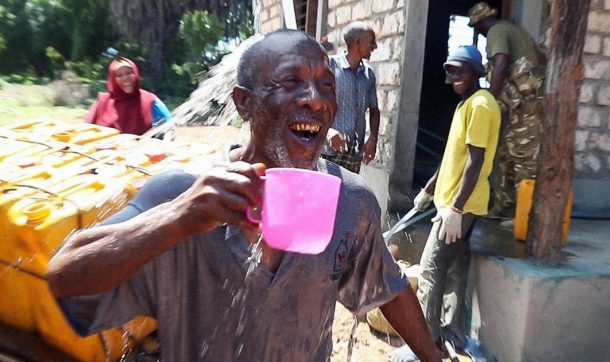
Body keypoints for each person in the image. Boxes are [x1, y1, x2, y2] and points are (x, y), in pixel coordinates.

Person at [46, 30, 441, 362]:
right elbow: (65, 275)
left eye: (326, 85)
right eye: (290, 82)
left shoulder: (350, 201)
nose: (316, 100)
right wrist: (176, 219)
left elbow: (390, 287)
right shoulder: (183, 195)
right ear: (244, 102)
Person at [413, 45, 500, 351]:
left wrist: (455, 209)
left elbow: (475, 162)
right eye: (449, 71)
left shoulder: (480, 105)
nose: (453, 77)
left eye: (460, 70)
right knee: (456, 270)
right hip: (453, 204)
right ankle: (455, 334)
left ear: (477, 72)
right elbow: (453, 156)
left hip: (459, 208)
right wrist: (428, 189)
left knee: (430, 269)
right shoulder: (466, 105)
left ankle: (423, 344)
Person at [468, 2, 546, 222]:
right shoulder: (517, 30)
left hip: (525, 106)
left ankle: (526, 217)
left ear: (481, 23)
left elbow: (501, 63)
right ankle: (506, 209)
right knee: (506, 156)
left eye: (477, 27)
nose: (480, 32)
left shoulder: (496, 31)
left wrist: (489, 100)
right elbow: (542, 59)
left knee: (523, 159)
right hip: (525, 104)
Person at [322, 21, 380, 174]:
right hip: (327, 151)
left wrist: (373, 138)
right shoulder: (329, 67)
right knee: (326, 196)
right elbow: (313, 106)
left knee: (349, 196)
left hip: (354, 153)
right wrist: (327, 132)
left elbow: (374, 110)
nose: (375, 46)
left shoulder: (368, 74)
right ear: (357, 42)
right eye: (371, 41)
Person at [86, 57, 172, 136]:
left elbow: (169, 126)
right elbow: (86, 131)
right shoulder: (102, 101)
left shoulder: (150, 100)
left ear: (136, 74)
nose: (125, 78)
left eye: (129, 73)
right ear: (112, 79)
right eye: (119, 75)